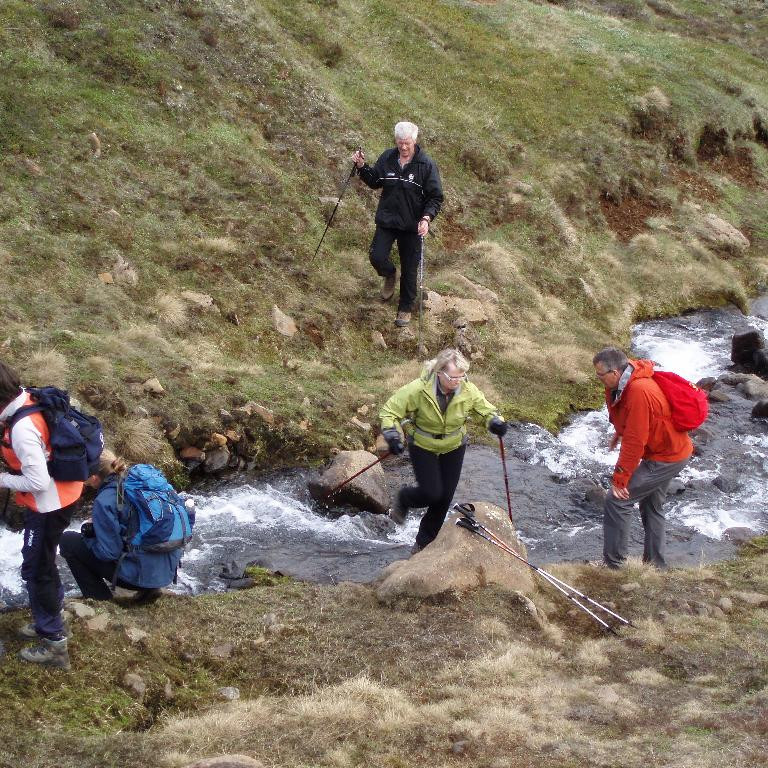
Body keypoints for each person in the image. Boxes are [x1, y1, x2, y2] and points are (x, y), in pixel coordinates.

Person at [379, 348, 507, 553]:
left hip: (454, 445)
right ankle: (405, 497)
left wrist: (495, 423)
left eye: (461, 376)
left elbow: (488, 411)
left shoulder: (467, 389)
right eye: (453, 377)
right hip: (423, 444)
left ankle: (423, 544)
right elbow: (389, 411)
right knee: (431, 492)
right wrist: (392, 435)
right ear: (439, 372)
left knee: (444, 497)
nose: (458, 381)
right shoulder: (418, 389)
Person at [0, 360, 84, 670]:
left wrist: (2, 479)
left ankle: (54, 643)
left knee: (37, 568)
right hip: (66, 492)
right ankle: (51, 617)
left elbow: (37, 482)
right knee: (43, 561)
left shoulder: (21, 429)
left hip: (49, 503)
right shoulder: (29, 398)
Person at [593, 347, 694, 569]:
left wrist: (620, 479)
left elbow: (635, 442)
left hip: (666, 457)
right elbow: (632, 418)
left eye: (600, 375)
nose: (598, 379)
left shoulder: (639, 390)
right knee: (651, 506)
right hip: (670, 451)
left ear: (615, 372)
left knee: (617, 500)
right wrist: (618, 433)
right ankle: (656, 566)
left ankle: (614, 566)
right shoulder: (626, 381)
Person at [59, 450, 184, 601]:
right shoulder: (139, 483)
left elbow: (108, 553)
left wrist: (89, 534)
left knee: (68, 541)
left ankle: (99, 598)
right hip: (167, 572)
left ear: (93, 477)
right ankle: (151, 588)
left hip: (139, 578)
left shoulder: (105, 500)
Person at [353, 121, 443, 327]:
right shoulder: (387, 157)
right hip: (387, 220)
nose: (403, 147)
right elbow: (375, 180)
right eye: (400, 143)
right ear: (396, 141)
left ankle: (404, 308)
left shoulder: (426, 165)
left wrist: (426, 218)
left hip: (412, 225)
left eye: (407, 143)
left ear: (415, 141)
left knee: (410, 268)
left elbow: (435, 197)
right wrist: (361, 167)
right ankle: (389, 274)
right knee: (376, 256)